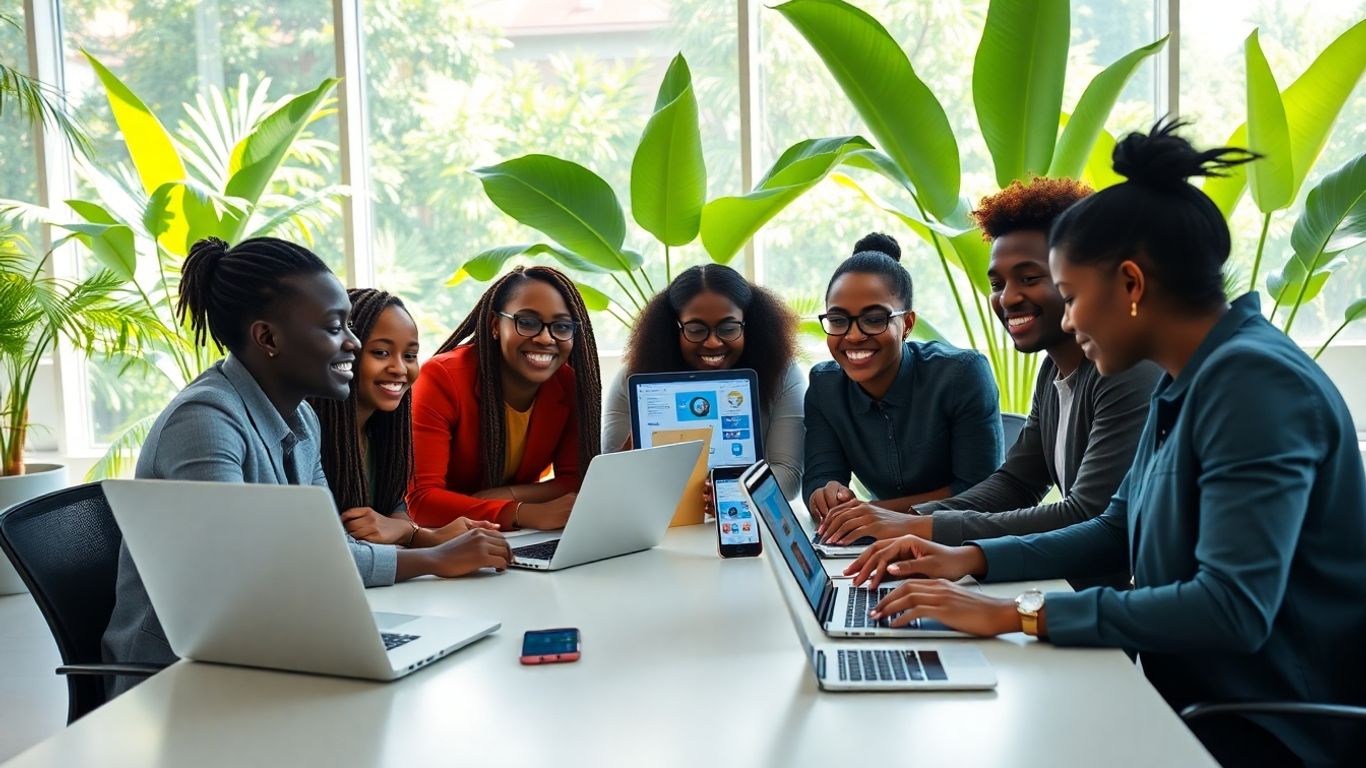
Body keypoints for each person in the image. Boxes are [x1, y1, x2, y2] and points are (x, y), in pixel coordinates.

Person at [844, 122, 1366, 767]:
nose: (1069, 320)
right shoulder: (1192, 379)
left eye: (1069, 296)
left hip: (1264, 731)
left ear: (1130, 284)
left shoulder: (1254, 384)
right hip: (1186, 701)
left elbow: (1232, 608)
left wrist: (1015, 614)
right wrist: (967, 559)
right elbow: (1115, 526)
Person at [102, 238, 512, 694]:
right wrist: (429, 559)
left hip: (268, 644)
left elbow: (324, 552)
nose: (353, 343)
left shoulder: (301, 418)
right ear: (268, 338)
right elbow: (252, 569)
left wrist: (426, 553)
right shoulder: (204, 421)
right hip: (180, 679)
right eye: (335, 327)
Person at [817, 179, 1162, 590]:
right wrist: (908, 522)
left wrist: (933, 533)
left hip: (1132, 615)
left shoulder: (1128, 370)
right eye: (998, 284)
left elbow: (1086, 514)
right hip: (1084, 600)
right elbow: (1017, 483)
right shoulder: (1054, 371)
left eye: (1030, 277)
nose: (1008, 298)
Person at [804, 233, 1003, 521]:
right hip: (882, 546)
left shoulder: (962, 376)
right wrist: (827, 494)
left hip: (963, 542)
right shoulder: (825, 388)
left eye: (874, 319)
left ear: (907, 324)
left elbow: (980, 492)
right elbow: (819, 476)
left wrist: (876, 513)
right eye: (838, 320)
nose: (854, 335)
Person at [408, 265, 601, 529]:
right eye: (528, 322)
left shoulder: (568, 385)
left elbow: (574, 480)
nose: (546, 338)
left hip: (508, 538)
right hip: (437, 538)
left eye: (562, 326)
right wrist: (522, 512)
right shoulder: (442, 378)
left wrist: (508, 495)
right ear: (496, 325)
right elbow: (421, 502)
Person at [308, 288, 501, 548]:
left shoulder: (382, 435)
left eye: (409, 356)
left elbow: (394, 515)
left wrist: (430, 536)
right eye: (381, 353)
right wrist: (432, 547)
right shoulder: (306, 437)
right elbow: (339, 543)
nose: (400, 369)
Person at [601, 263, 805, 503]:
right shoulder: (633, 378)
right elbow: (609, 480)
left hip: (745, 521)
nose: (712, 343)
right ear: (672, 328)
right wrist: (640, 438)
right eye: (696, 330)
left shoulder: (782, 373)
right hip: (663, 523)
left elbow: (788, 476)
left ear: (750, 325)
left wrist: (726, 493)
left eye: (728, 328)